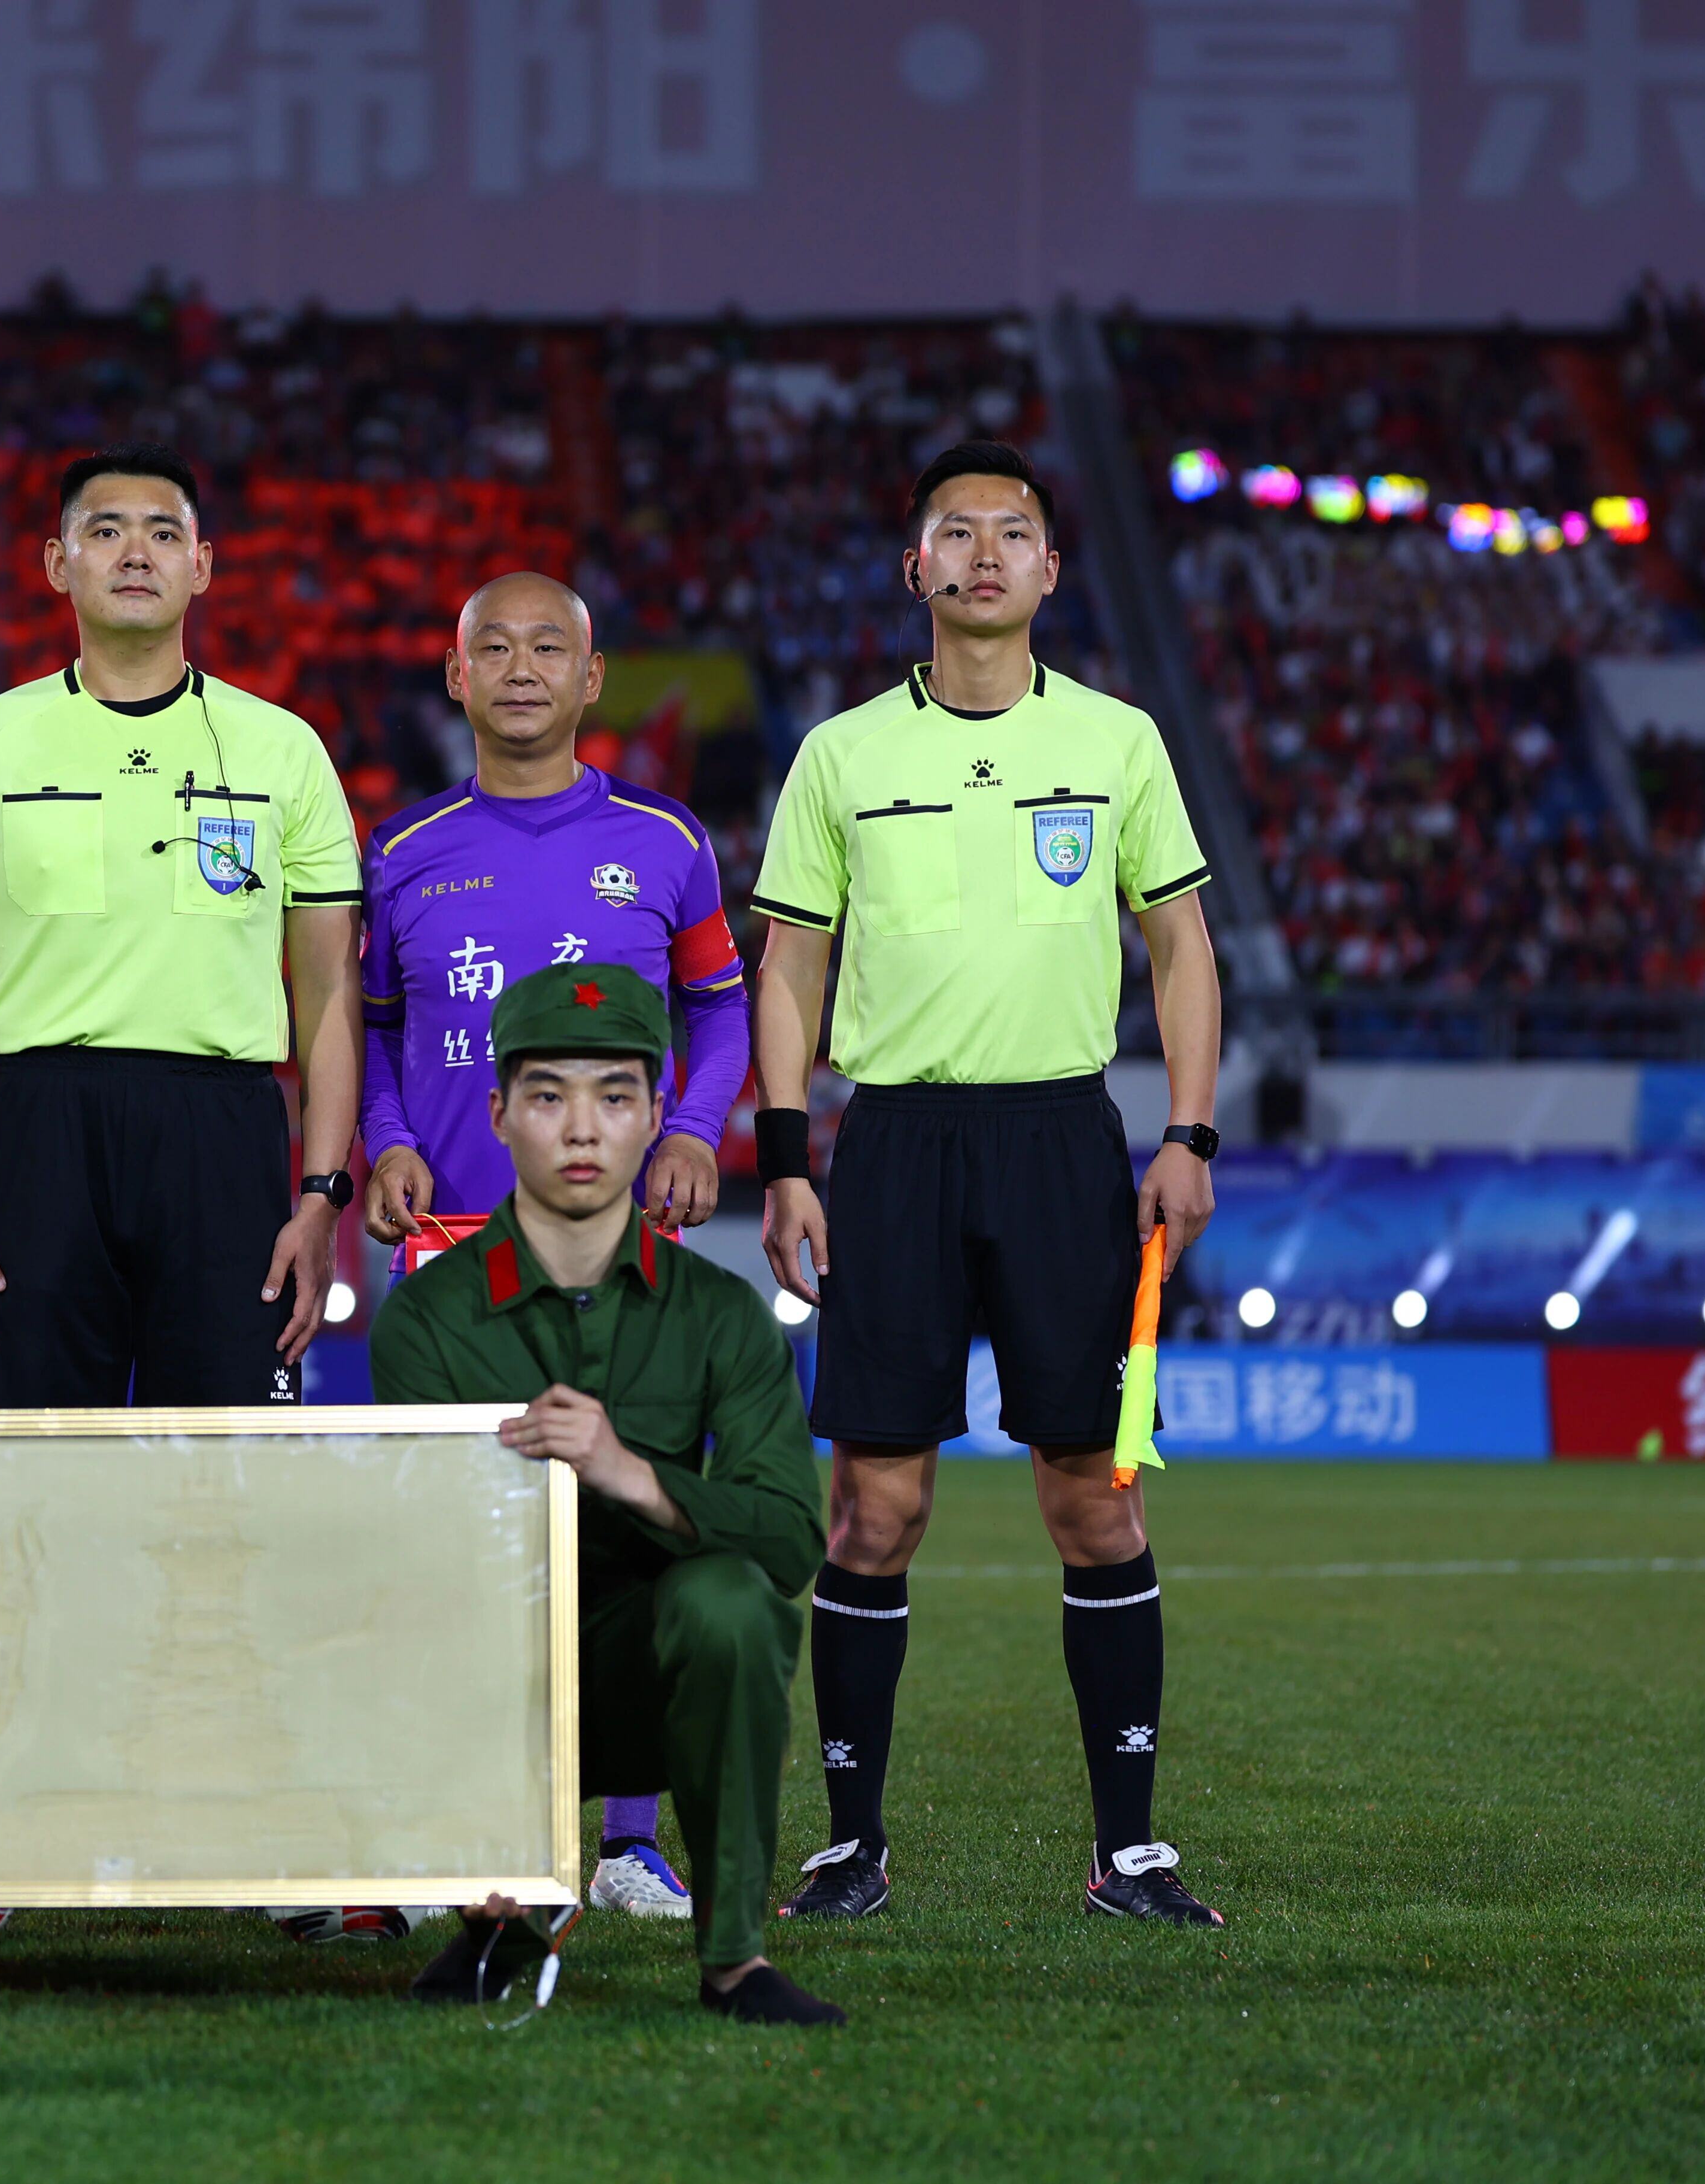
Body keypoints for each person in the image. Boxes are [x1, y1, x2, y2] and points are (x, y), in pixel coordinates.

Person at [748, 439, 1227, 1928]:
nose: (982, 554)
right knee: (873, 1514)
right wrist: (787, 1155)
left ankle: (1129, 1855)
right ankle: (851, 1848)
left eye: (1010, 533)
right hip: (892, 1144)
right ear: (917, 569)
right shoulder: (842, 756)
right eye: (954, 533)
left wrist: (1189, 1133)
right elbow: (791, 961)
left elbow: (1182, 944)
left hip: (1063, 1144)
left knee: (1096, 1504)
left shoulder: (1119, 742)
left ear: (1050, 570)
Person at [356, 569, 749, 1922]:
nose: (520, 669)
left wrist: (691, 1127)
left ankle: (629, 1843)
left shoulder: (666, 842)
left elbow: (721, 1011)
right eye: (494, 648)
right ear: (455, 679)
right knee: (446, 1555)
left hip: (615, 1245)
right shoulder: (402, 851)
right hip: (449, 1252)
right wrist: (385, 1141)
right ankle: (457, 1834)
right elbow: (371, 1030)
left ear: (592, 680)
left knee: (630, 1533)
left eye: (549, 648)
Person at [371, 963, 840, 2026]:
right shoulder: (428, 1319)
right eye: (549, 1095)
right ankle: (492, 1911)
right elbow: (420, 1562)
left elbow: (788, 1539)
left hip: (644, 1684)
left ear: (656, 1115)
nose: (582, 1128)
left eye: (616, 1096)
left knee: (731, 1602)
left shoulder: (720, 1315)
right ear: (498, 1113)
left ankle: (735, 1961)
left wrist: (631, 1473)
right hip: (481, 1679)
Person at [0, 442, 362, 1410]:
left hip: (223, 1130)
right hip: (42, 1128)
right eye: (105, 532)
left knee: (230, 1453)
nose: (136, 554)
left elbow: (327, 991)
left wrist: (322, 1196)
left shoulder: (284, 749)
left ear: (203, 565)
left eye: (163, 534)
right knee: (42, 1447)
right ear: (57, 563)